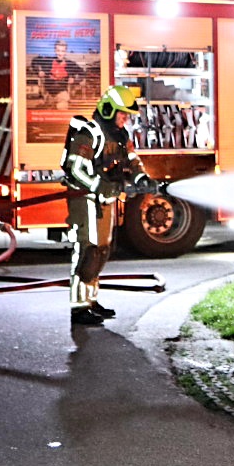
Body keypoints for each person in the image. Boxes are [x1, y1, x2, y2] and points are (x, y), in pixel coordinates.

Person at [62, 85, 148, 326]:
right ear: (109, 110)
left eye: (127, 116)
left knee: (102, 251)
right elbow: (76, 167)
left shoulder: (120, 137)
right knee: (87, 250)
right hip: (85, 199)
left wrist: (142, 178)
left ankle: (91, 300)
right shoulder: (90, 133)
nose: (125, 120)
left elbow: (131, 160)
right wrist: (100, 186)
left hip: (107, 199)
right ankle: (79, 308)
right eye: (122, 114)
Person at [30, 39, 82, 109]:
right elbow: (34, 61)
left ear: (65, 52)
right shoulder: (48, 61)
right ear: (55, 51)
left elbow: (82, 72)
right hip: (48, 94)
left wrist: (75, 80)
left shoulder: (70, 64)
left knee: (62, 107)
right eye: (58, 50)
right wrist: (38, 71)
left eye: (62, 51)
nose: (60, 53)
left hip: (62, 93)